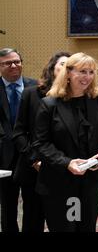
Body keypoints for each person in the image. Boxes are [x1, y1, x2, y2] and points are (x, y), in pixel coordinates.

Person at [32, 52, 98, 232]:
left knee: (86, 226)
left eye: (91, 72)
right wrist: (67, 163)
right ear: (68, 73)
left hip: (93, 178)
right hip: (61, 180)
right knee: (66, 226)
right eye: (82, 71)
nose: (88, 77)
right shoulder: (49, 104)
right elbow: (41, 143)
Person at [12, 52, 71, 232]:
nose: (66, 69)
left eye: (71, 66)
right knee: (33, 219)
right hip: (34, 168)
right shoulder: (32, 93)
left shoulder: (75, 96)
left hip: (65, 168)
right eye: (62, 64)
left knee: (66, 219)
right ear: (53, 68)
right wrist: (34, 160)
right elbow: (19, 132)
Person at [0, 48, 37, 232]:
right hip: (4, 156)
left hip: (30, 154)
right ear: (0, 66)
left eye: (17, 61)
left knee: (33, 203)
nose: (14, 65)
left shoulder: (36, 87)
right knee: (7, 205)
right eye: (8, 63)